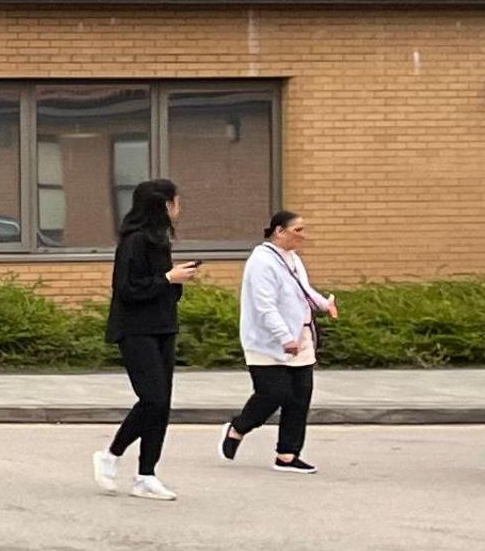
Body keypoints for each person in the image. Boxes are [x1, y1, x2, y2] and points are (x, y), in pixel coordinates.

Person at [97, 179, 201, 502]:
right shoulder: (134, 241)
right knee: (153, 398)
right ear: (162, 205)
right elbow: (127, 289)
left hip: (162, 326)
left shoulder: (160, 241)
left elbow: (159, 285)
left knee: (161, 405)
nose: (178, 208)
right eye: (175, 202)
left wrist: (175, 279)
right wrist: (168, 278)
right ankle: (110, 455)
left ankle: (146, 474)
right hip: (135, 329)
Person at [223, 210, 333, 474]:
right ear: (279, 231)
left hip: (301, 337)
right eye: (298, 230)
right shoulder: (261, 261)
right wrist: (284, 337)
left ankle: (287, 454)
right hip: (267, 342)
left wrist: (323, 304)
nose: (303, 236)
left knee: (299, 396)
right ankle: (239, 426)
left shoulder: (292, 259)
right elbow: (264, 305)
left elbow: (302, 289)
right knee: (274, 393)